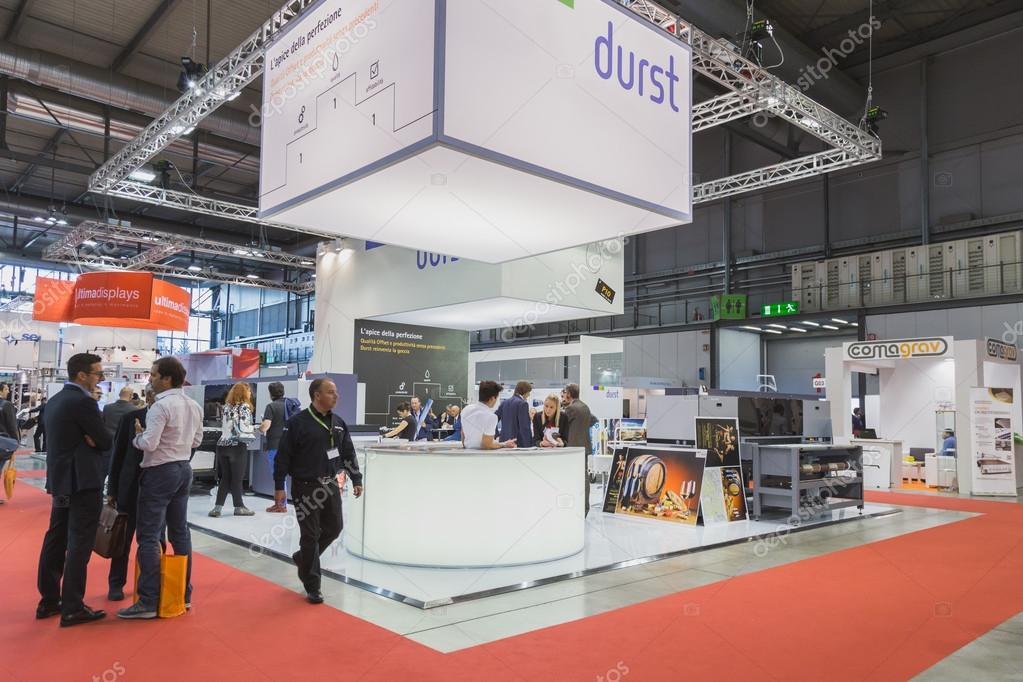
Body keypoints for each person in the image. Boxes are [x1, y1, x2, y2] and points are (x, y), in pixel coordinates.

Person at [117, 357, 203, 620]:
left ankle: (148, 600)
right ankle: (183, 594)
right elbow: (197, 440)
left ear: (167, 378)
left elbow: (149, 444)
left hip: (159, 472)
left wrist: (138, 436)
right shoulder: (194, 405)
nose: (150, 379)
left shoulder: (160, 406)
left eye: (153, 375)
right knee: (180, 532)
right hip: (183, 469)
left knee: (149, 535)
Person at [35, 353, 112, 627]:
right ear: (82, 375)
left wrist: (93, 439)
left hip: (61, 480)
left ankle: (49, 600)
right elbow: (104, 441)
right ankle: (73, 607)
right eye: (97, 373)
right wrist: (95, 440)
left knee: (56, 538)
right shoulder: (83, 402)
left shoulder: (56, 401)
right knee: (80, 541)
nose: (100, 378)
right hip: (83, 482)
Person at [273, 379, 363, 604]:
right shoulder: (297, 423)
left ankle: (303, 558)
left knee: (335, 527)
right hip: (305, 486)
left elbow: (348, 453)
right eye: (331, 392)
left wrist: (356, 478)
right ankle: (313, 585)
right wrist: (279, 486)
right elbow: (283, 456)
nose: (336, 396)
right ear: (317, 395)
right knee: (310, 535)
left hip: (330, 484)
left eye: (336, 391)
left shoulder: (339, 423)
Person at [106, 386, 155, 601]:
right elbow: (117, 454)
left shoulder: (170, 418)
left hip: (156, 489)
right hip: (129, 486)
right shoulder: (130, 418)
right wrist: (112, 489)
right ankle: (116, 583)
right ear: (149, 396)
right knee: (122, 540)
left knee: (154, 541)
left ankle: (149, 585)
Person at [210, 382, 255, 517]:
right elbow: (244, 427)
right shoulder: (245, 407)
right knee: (237, 478)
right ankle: (239, 507)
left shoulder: (226, 407)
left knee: (225, 477)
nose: (250, 394)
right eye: (249, 391)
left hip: (223, 445)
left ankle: (217, 508)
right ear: (244, 393)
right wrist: (255, 429)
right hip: (237, 445)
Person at [259, 382, 294, 513]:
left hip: (275, 445)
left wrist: (259, 428)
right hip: (290, 445)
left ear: (270, 394)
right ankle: (282, 503)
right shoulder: (290, 405)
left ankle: (280, 505)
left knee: (279, 476)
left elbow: (265, 426)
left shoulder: (271, 406)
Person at [561, 383, 594, 516]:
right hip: (584, 447)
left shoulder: (571, 409)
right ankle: (585, 507)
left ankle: (573, 507)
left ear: (569, 394)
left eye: (565, 393)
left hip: (572, 448)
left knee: (572, 478)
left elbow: (561, 425)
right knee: (584, 478)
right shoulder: (585, 407)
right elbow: (594, 420)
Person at [461, 381, 516, 450]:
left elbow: (463, 434)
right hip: (482, 455)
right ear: (492, 398)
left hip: (467, 451)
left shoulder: (466, 409)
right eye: (497, 398)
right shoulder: (491, 417)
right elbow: (486, 445)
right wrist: (504, 444)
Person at [496, 381, 533, 448]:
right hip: (517, 444)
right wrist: (528, 446)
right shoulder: (523, 404)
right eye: (528, 392)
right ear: (525, 391)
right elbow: (525, 428)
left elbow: (494, 419)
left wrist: (497, 435)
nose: (529, 395)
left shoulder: (504, 403)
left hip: (504, 443)